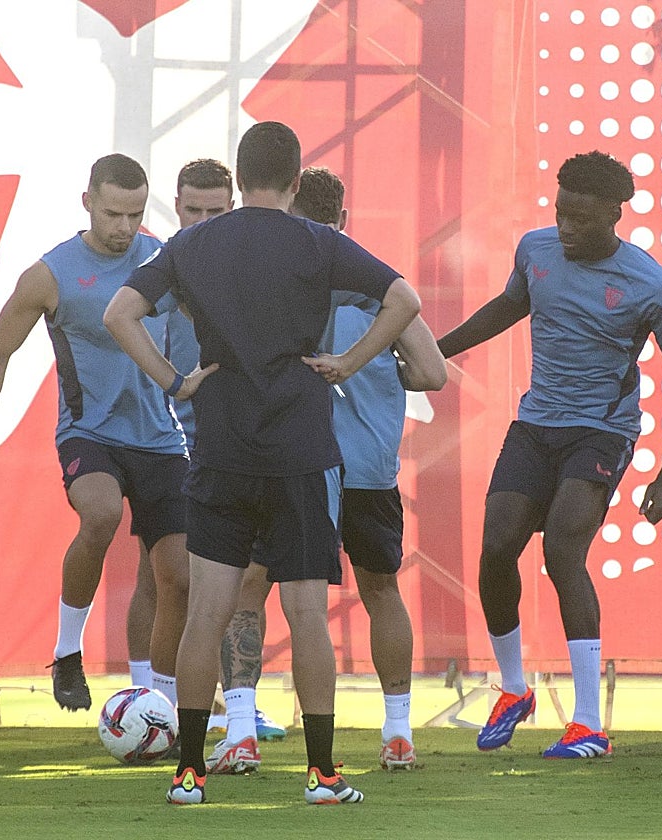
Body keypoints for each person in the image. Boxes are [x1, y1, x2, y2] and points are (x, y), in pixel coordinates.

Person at [105, 121, 421, 805]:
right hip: (301, 451)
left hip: (221, 447)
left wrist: (173, 379)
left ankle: (188, 774)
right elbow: (405, 301)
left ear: (240, 177)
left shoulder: (192, 243)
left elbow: (120, 314)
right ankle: (322, 775)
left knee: (207, 614)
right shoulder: (319, 240)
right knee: (307, 613)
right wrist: (348, 361)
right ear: (298, 179)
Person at [437, 150, 662, 758]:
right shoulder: (535, 251)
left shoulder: (652, 285)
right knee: (497, 548)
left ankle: (588, 724)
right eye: (561, 214)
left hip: (601, 433)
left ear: (614, 213)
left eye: (581, 219)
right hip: (536, 425)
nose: (567, 228)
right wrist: (438, 349)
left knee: (562, 550)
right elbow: (509, 307)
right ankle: (513, 691)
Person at [204, 166, 445, 776]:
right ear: (343, 223)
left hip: (296, 465)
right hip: (366, 470)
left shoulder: (273, 281)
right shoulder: (374, 287)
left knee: (253, 590)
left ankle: (240, 731)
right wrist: (373, 369)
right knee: (381, 590)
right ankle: (396, 734)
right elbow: (431, 373)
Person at [0, 154, 190, 712]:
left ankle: (161, 706)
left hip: (161, 437)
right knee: (101, 514)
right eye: (113, 213)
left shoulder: (162, 258)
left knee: (179, 579)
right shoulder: (52, 273)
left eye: (135, 214)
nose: (123, 228)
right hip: (89, 432)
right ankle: (68, 653)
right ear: (87, 201)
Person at [129, 158, 241, 693]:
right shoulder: (160, 266)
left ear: (233, 207)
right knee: (160, 573)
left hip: (233, 441)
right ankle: (145, 695)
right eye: (191, 209)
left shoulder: (249, 265)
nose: (201, 220)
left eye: (213, 210)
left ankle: (230, 695)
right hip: (167, 442)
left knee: (227, 577)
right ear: (175, 206)